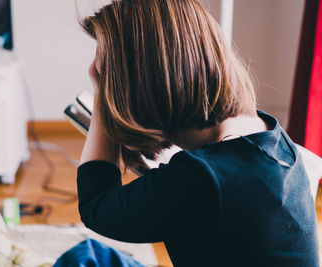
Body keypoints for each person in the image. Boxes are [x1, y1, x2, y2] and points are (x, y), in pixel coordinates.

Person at [76, 0, 320, 266]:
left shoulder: (202, 179)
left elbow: (96, 207)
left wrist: (100, 93)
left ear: (138, 84)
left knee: (84, 259)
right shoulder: (266, 132)